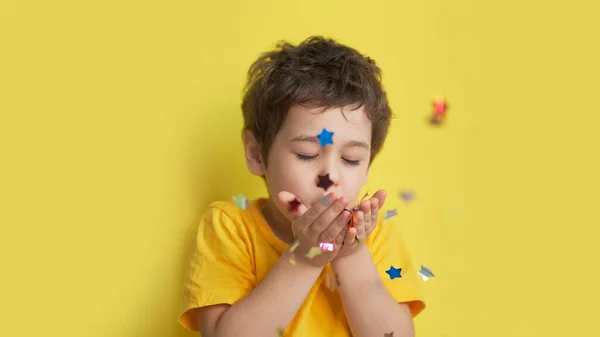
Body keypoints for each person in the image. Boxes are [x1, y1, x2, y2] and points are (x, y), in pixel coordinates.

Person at [179, 36, 426, 337]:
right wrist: (306, 256)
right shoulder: (230, 226)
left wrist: (351, 255)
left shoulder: (376, 237)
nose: (330, 175)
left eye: (351, 159)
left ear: (367, 169)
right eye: (307, 154)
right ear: (257, 155)